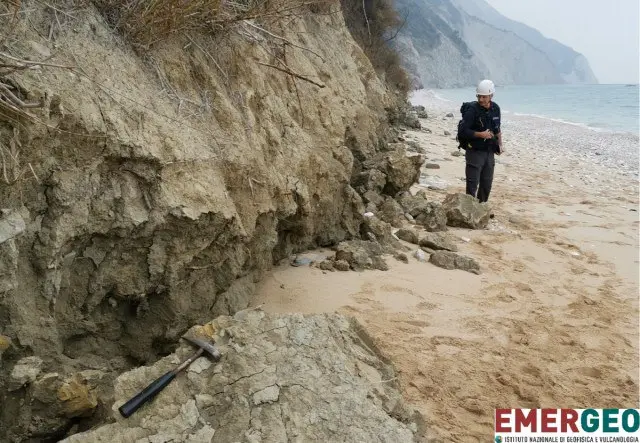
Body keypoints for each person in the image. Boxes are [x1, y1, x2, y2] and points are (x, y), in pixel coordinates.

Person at [459, 79, 503, 203]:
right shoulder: (472, 110)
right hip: (474, 151)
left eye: (484, 97)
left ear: (491, 96)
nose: (481, 100)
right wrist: (480, 134)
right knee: (472, 184)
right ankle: (469, 209)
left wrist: (500, 145)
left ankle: (481, 208)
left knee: (486, 183)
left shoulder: (496, 108)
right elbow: (463, 131)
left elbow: (497, 128)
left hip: (489, 151)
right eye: (479, 96)